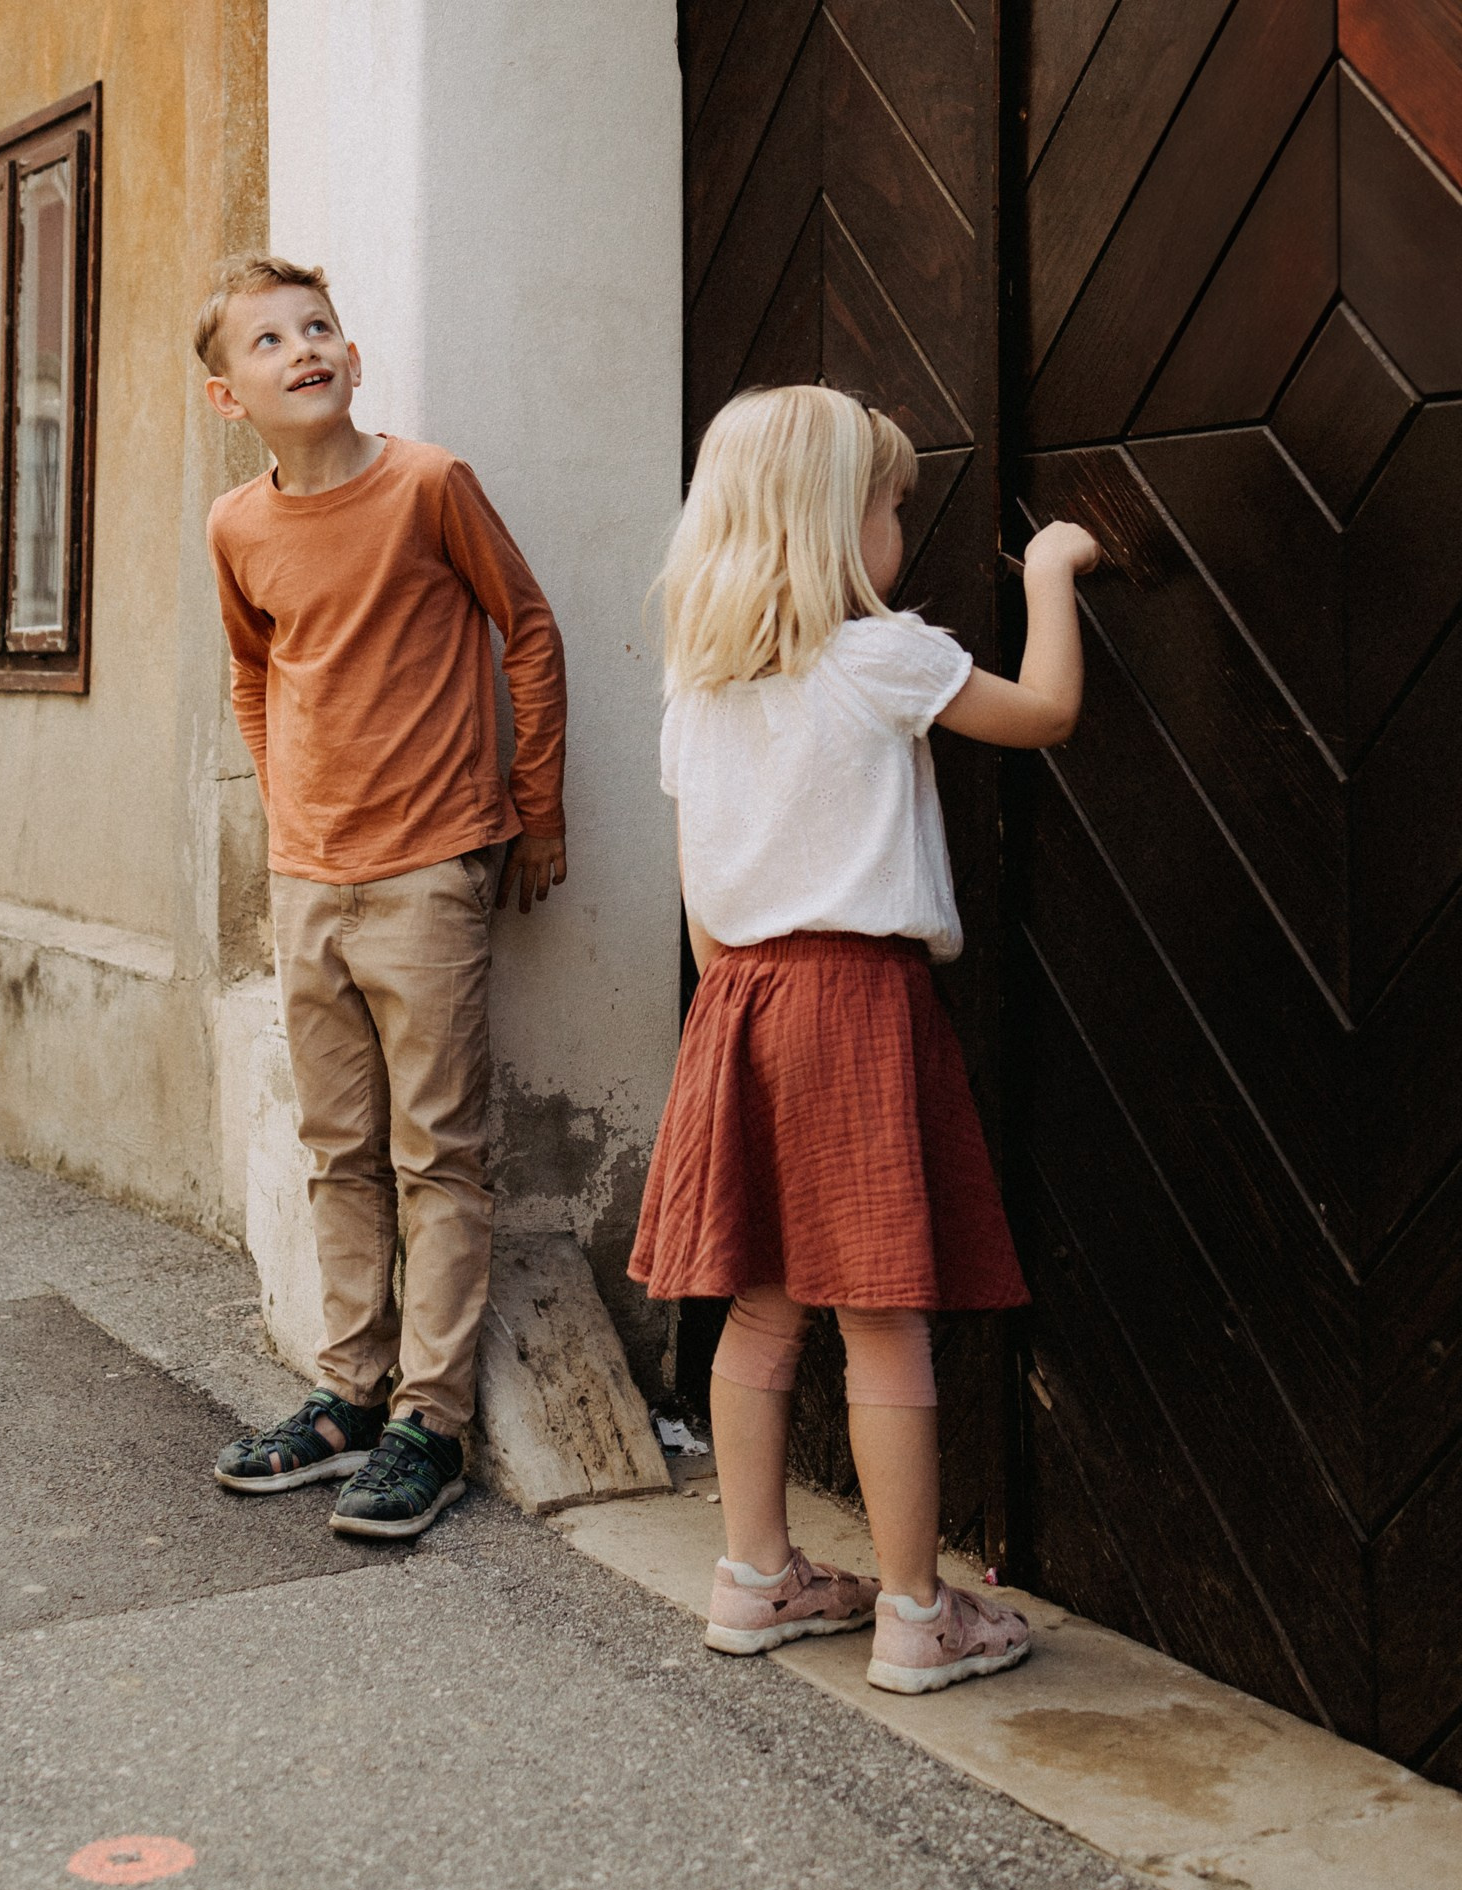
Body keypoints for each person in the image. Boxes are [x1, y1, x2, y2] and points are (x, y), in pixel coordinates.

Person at [631, 384, 1097, 1689]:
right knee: (886, 1322)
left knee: (764, 1312)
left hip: (741, 1008)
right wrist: (1053, 570)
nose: (904, 523)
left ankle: (755, 1578)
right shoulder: (882, 656)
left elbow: (707, 919)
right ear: (838, 523)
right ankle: (911, 1614)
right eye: (892, 504)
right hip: (854, 1004)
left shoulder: (696, 688)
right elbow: (1046, 712)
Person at [194, 254, 568, 1539]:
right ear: (224, 396)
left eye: (319, 328)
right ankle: (347, 1398)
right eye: (267, 340)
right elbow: (255, 675)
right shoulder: (236, 527)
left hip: (426, 872)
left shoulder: (427, 487)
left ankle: (430, 1425)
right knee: (336, 1149)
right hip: (308, 879)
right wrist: (284, 809)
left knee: (437, 1154)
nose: (302, 348)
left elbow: (524, 627)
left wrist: (535, 804)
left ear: (352, 358)